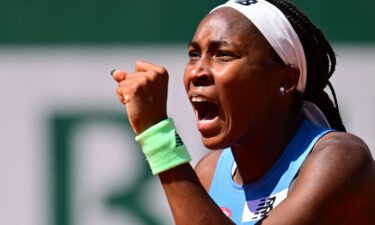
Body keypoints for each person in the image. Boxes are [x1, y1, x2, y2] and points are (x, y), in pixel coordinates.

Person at [111, 0, 375, 224]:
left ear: (286, 79)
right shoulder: (209, 172)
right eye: (194, 54)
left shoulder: (340, 159)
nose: (197, 72)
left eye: (223, 54)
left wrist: (158, 138)